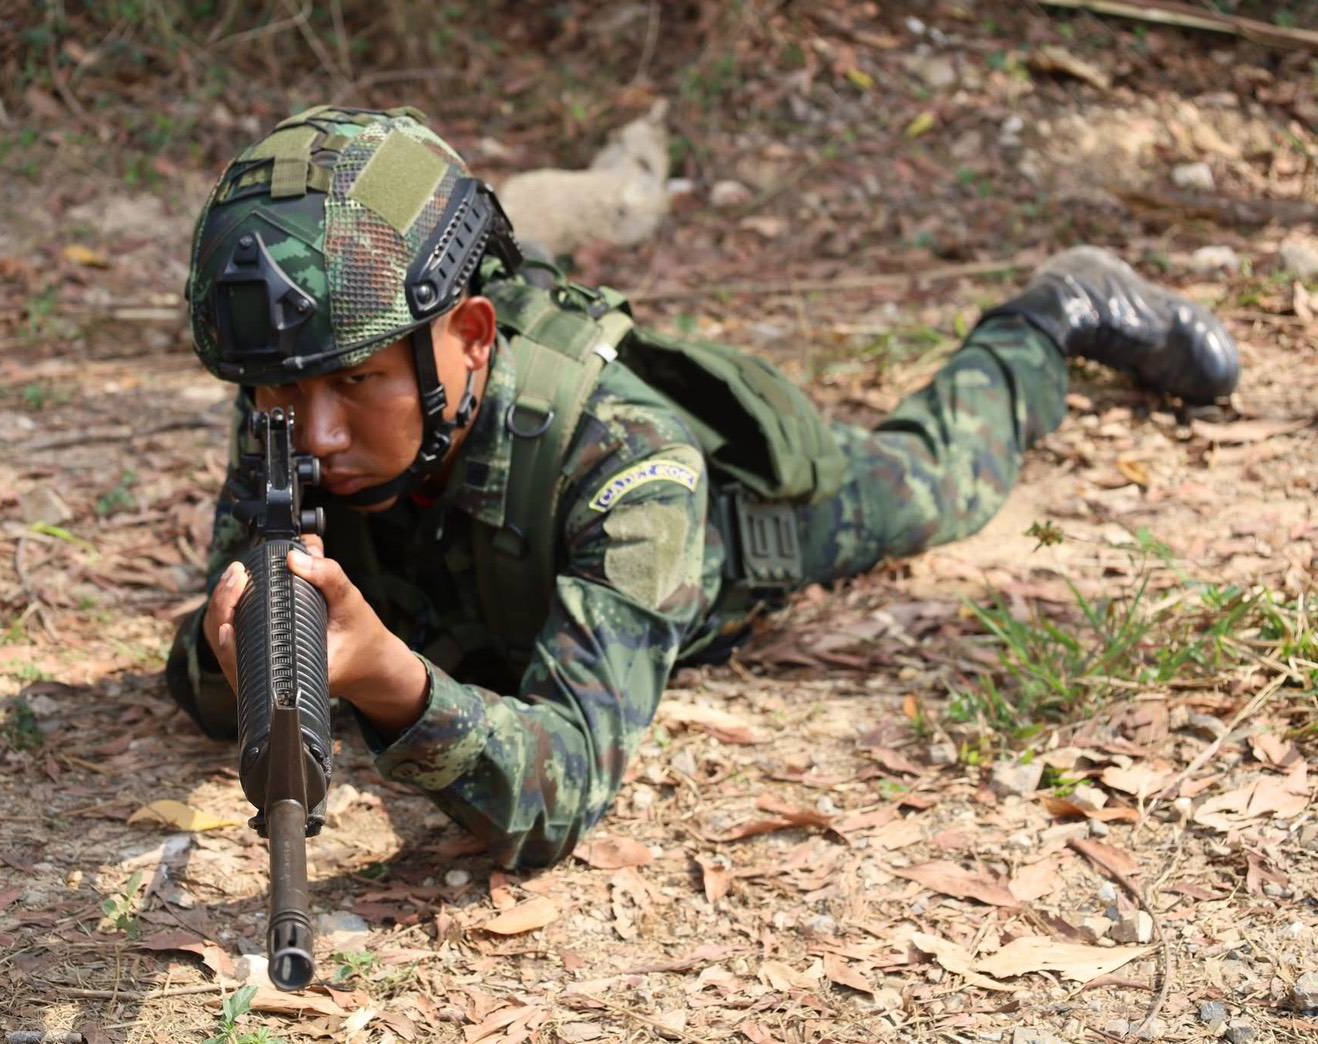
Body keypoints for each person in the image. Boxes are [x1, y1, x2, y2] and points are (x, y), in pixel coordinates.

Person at [165, 105, 1239, 868]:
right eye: (278, 392)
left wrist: (394, 681)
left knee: (944, 483)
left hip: (731, 531)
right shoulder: (295, 410)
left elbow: (565, 786)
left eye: (356, 383)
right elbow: (203, 672)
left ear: (473, 342)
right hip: (499, 580)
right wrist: (233, 659)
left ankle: (1048, 319)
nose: (316, 432)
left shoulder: (631, 462)